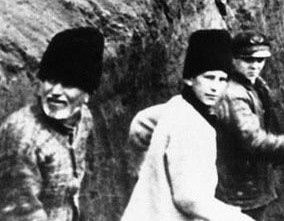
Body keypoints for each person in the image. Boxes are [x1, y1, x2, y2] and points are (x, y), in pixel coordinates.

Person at [123, 29, 254, 221]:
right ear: (190, 79)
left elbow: (141, 123)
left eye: (222, 79)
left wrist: (146, 170)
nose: (215, 87)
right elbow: (189, 198)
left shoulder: (176, 106)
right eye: (208, 77)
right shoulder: (190, 125)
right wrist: (238, 218)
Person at [214, 31, 284, 220]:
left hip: (252, 182)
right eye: (248, 60)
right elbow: (253, 140)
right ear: (233, 60)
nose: (255, 65)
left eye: (260, 60)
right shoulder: (234, 94)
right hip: (239, 187)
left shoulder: (254, 86)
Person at [0, 27, 104, 221]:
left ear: (87, 93)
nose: (56, 91)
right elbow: (21, 213)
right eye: (51, 80)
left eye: (68, 83)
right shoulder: (23, 135)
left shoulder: (83, 119)